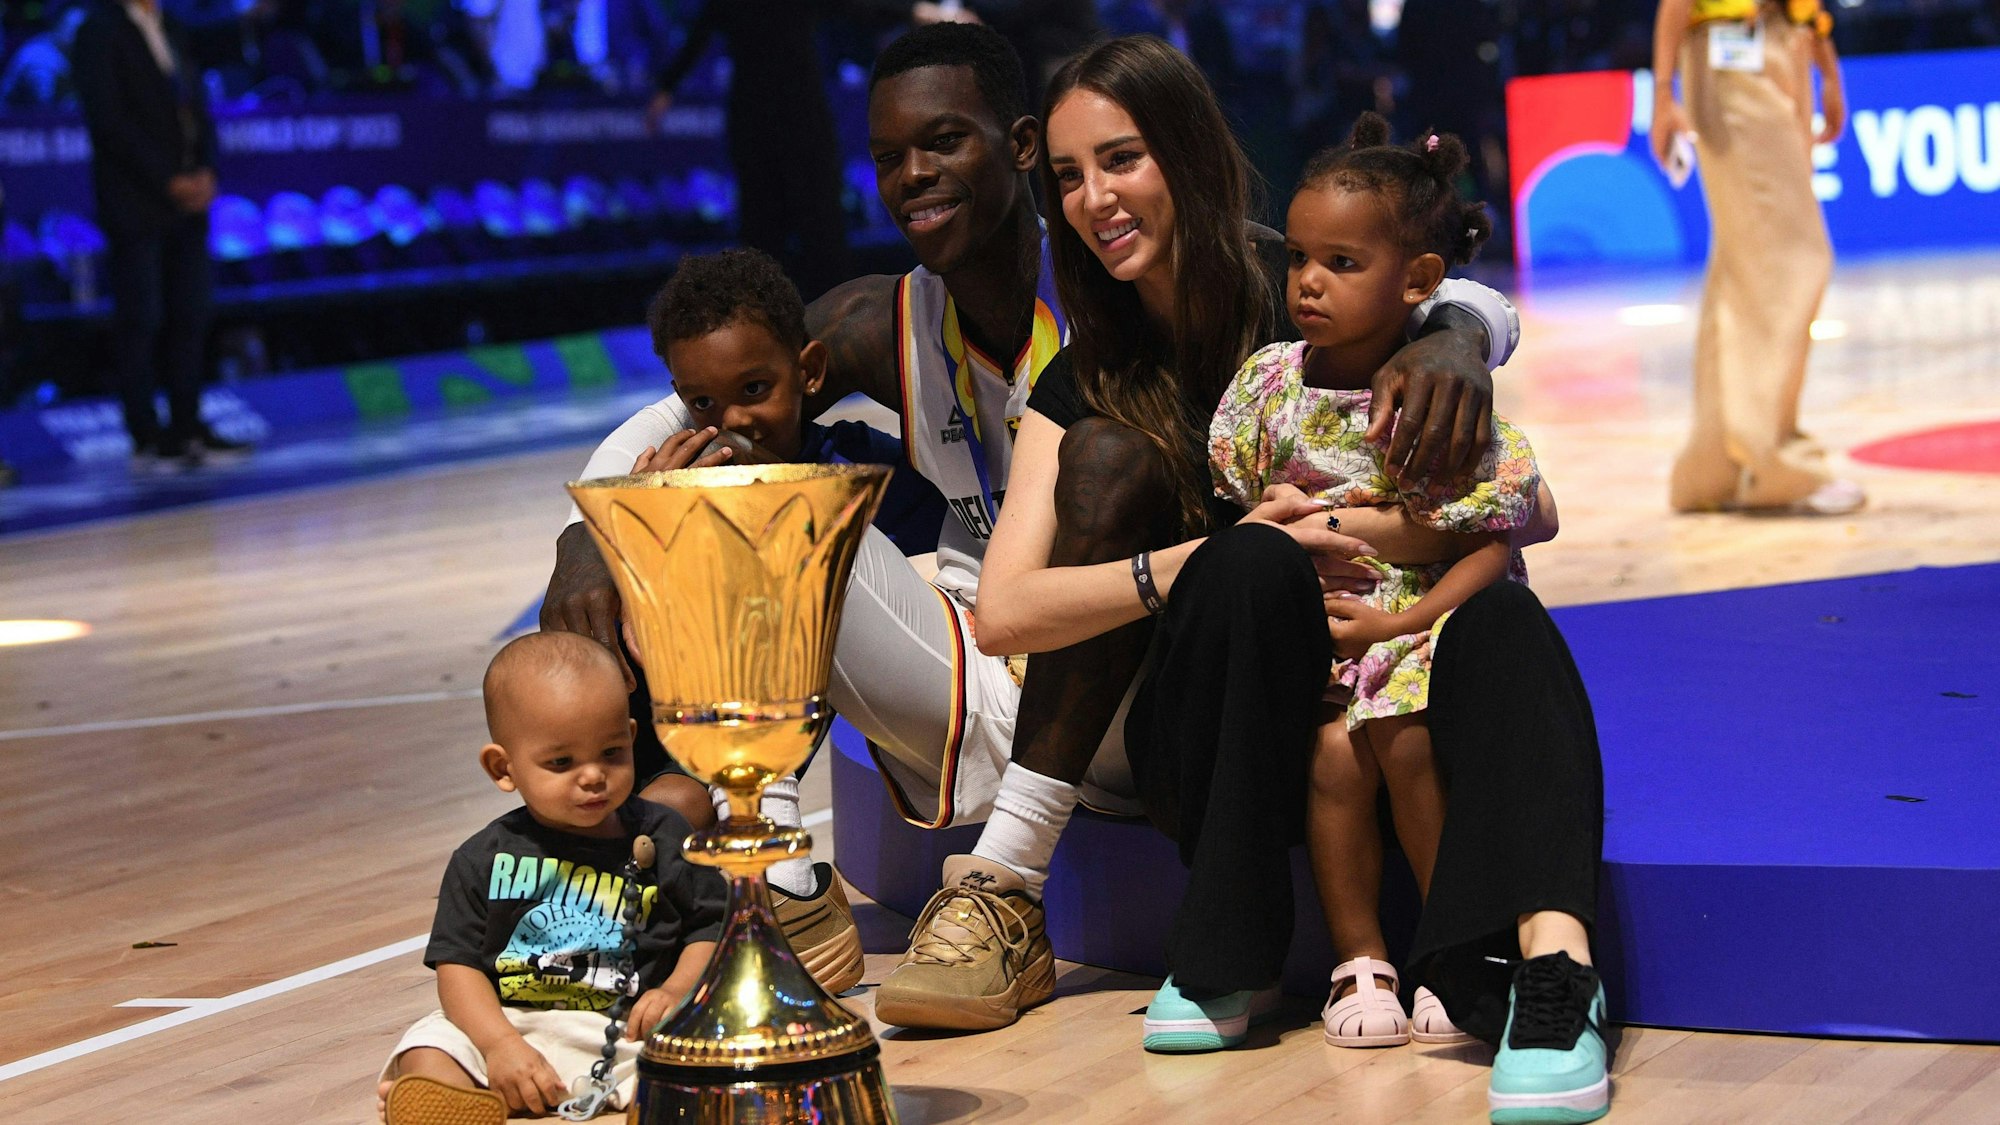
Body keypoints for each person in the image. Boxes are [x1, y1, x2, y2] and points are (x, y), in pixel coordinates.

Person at [542, 22, 1512, 1035]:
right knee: (763, 504)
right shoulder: (888, 320)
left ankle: (1004, 881)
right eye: (886, 158)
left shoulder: (1147, 270)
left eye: (944, 142)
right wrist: (588, 527)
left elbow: (1411, 294)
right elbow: (711, 387)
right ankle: (782, 880)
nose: (914, 174)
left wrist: (1457, 332)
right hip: (995, 664)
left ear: (1011, 150)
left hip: (1146, 683)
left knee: (1111, 466)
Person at [973, 35, 1609, 1123]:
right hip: (1212, 723)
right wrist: (1204, 558)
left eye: (1119, 159)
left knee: (1501, 613)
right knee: (1250, 559)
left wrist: (1459, 332)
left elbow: (1443, 299)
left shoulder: (1298, 287)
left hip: (1382, 664)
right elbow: (1000, 613)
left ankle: (1549, 971)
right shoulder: (1087, 373)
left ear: (1185, 152)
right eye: (1068, 177)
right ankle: (1223, 950)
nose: (1093, 198)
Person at [1207, 114, 1550, 1053]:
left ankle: (1453, 944)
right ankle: (1360, 957)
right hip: (1316, 627)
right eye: (1302, 259)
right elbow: (1238, 514)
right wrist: (1272, 516)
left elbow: (1492, 536)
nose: (1307, 282)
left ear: (1420, 284)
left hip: (1415, 627)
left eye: (1342, 263)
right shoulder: (1271, 384)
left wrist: (1404, 618)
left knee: (1403, 739)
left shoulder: (1434, 395)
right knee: (1329, 755)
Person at [376, 631, 725, 1124]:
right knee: (431, 1043)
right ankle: (450, 1096)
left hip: (628, 1030)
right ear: (504, 767)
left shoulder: (664, 835)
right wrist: (498, 1045)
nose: (592, 776)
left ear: (631, 737)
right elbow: (458, 968)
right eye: (562, 762)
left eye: (610, 753)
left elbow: (710, 929)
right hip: (514, 1026)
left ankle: (662, 1098)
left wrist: (676, 992)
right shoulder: (480, 858)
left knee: (703, 1039)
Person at [1651, 0, 1863, 515]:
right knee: (1791, 258)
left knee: (1744, 268)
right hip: (1728, 57)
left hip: (1784, 43)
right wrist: (1662, 96)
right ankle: (1776, 464)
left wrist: (1825, 66)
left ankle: (1713, 471)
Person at [71, 0, 250, 469]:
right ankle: (147, 434)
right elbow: (109, 123)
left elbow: (196, 106)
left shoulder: (173, 26)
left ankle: (188, 425)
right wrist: (166, 179)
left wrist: (207, 170)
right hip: (136, 202)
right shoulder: (99, 30)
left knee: (191, 314)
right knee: (142, 318)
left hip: (189, 201)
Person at [649, 1, 849, 300]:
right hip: (781, 122)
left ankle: (807, 325)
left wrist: (667, 86)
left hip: (778, 121)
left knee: (796, 233)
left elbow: (701, 31)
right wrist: (667, 87)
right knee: (787, 234)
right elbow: (702, 30)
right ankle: (782, 326)